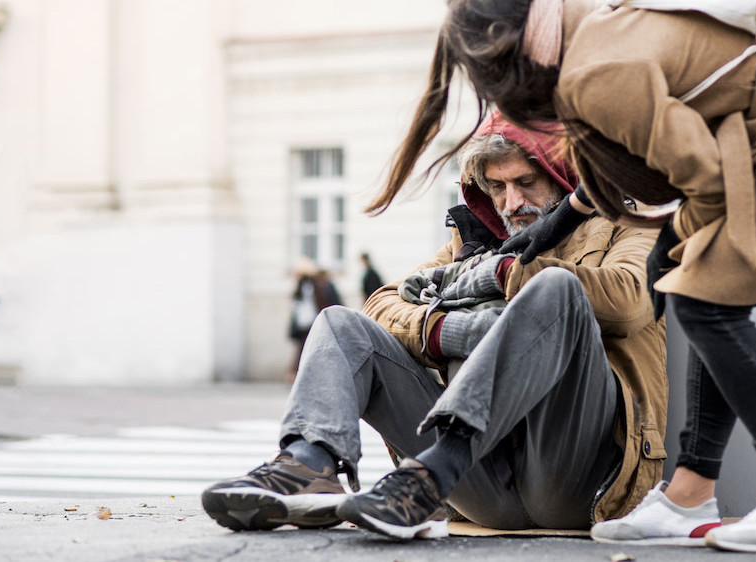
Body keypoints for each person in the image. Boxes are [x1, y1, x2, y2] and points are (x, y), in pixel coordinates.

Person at [367, 0, 756, 554]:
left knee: (707, 301)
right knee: (682, 275)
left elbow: (700, 178)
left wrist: (693, 253)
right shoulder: (595, 30)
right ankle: (689, 497)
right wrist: (554, 226)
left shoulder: (594, 67)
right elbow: (643, 156)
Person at [202, 112, 667, 540]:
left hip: (575, 476)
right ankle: (308, 465)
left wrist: (505, 274)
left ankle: (435, 468)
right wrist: (444, 331)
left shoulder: (624, 215)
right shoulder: (475, 237)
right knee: (341, 326)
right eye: (498, 187)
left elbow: (630, 300)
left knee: (556, 288)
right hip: (485, 489)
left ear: (563, 173)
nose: (513, 202)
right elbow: (380, 304)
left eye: (526, 182)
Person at [287, 258, 342, 383]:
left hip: (307, 323)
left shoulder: (307, 286)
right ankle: (297, 374)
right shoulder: (309, 286)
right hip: (309, 323)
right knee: (306, 349)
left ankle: (296, 374)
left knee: (304, 349)